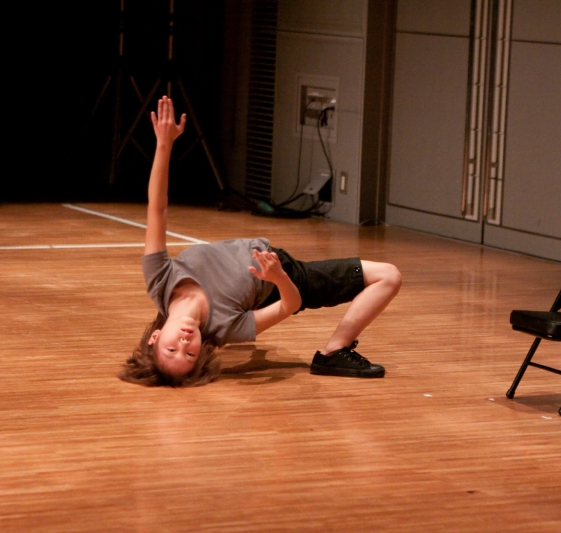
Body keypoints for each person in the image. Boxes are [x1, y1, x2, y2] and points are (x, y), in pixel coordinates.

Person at [120, 96, 401, 387]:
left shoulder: (160, 280)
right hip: (286, 279)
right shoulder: (224, 327)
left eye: (171, 349)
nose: (184, 343)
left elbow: (157, 208)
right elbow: (290, 305)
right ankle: (334, 351)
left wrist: (164, 144)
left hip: (273, 263)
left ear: (155, 337)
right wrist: (278, 277)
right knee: (388, 276)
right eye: (190, 354)